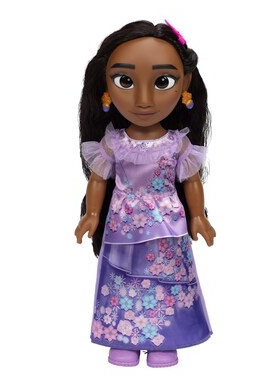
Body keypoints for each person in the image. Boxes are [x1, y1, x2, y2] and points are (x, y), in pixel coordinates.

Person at [75, 20, 216, 368]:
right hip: (123, 226)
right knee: (122, 282)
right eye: (125, 81)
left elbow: (191, 181)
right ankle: (123, 338)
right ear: (106, 87)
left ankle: (165, 339)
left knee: (167, 282)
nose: (143, 99)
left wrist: (198, 216)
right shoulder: (114, 142)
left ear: (184, 85)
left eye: (162, 82)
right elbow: (99, 180)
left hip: (167, 226)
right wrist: (92, 214)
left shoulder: (177, 143)